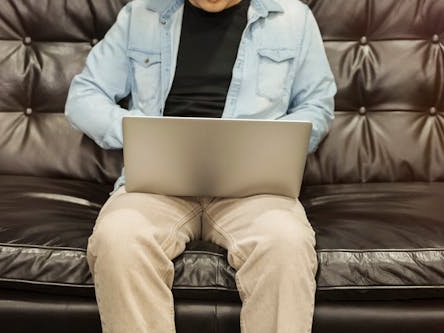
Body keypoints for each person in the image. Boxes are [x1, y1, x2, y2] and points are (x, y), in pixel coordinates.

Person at [65, 0, 336, 330]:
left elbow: (317, 106)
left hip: (253, 189)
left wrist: (272, 143)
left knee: (286, 242)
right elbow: (83, 96)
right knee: (118, 237)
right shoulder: (142, 13)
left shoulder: (292, 18)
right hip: (157, 185)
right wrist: (140, 131)